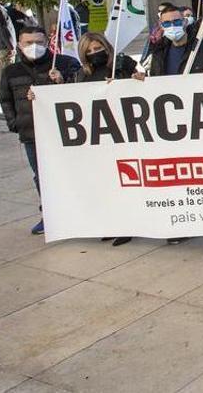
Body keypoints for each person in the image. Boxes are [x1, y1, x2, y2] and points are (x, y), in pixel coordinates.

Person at [133, 5, 203, 249]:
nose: (173, 27)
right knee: (185, 180)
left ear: (186, 22)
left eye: (177, 21)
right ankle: (186, 225)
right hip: (176, 128)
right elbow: (155, 85)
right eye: (167, 24)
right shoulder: (160, 52)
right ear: (160, 27)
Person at [0, 24, 81, 235]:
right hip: (32, 133)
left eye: (39, 42)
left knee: (73, 171)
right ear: (19, 44)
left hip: (65, 132)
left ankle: (80, 211)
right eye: (29, 43)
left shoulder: (64, 63)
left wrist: (63, 81)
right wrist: (14, 123)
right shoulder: (11, 71)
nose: (34, 46)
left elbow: (82, 88)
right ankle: (50, 214)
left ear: (47, 43)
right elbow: (5, 99)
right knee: (41, 175)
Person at [74, 31, 137, 245]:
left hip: (124, 133)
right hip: (99, 136)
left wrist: (128, 81)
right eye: (89, 51)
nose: (94, 53)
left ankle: (129, 224)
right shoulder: (81, 74)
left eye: (97, 48)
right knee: (106, 183)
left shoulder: (122, 63)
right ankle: (113, 223)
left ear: (106, 46)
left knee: (126, 182)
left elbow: (142, 86)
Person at [0, 0, 24, 92]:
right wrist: (11, 47)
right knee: (6, 69)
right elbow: (3, 30)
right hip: (3, 46)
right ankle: (4, 89)